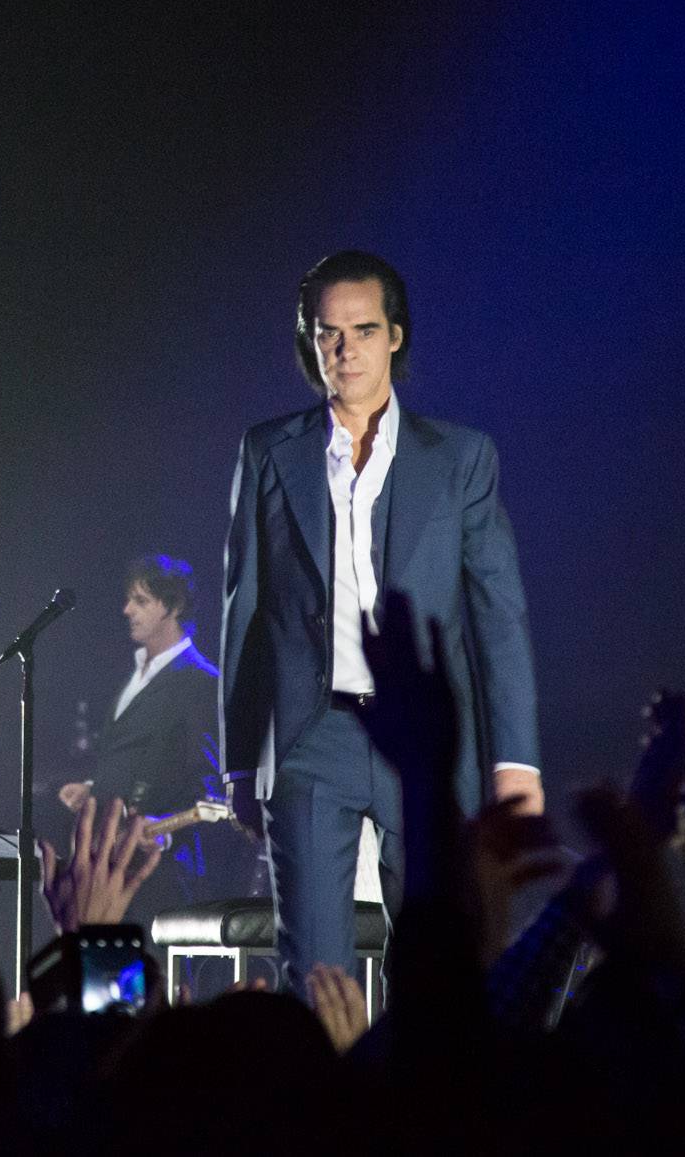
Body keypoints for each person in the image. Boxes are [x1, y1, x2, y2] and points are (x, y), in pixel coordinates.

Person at [220, 250, 540, 995]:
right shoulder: (270, 450)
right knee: (316, 975)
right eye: (328, 333)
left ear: (394, 334)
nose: (344, 349)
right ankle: (327, 1107)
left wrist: (515, 760)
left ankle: (426, 1109)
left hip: (422, 741)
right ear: (310, 339)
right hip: (309, 737)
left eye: (362, 330)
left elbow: (498, 614)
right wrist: (241, 756)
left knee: (442, 965)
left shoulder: (460, 457)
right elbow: (246, 609)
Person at [58, 554, 218, 821]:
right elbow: (130, 760)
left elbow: (207, 781)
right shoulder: (135, 672)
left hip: (162, 854)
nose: (127, 610)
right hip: (112, 846)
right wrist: (93, 788)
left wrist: (165, 831)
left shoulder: (201, 681)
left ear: (174, 606)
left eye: (141, 601)